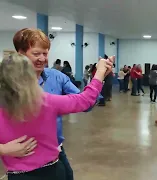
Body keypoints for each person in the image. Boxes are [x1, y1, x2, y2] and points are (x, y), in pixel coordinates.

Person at [0, 53, 113, 180]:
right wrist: (100, 72)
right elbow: (85, 100)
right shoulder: (46, 102)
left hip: (19, 175)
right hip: (52, 172)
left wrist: (3, 149)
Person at [11, 28, 98, 180]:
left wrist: (99, 79)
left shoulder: (56, 77)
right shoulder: (7, 83)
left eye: (45, 53)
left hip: (54, 150)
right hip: (24, 155)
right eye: (36, 54)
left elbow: (86, 104)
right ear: (21, 54)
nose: (42, 59)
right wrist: (4, 149)